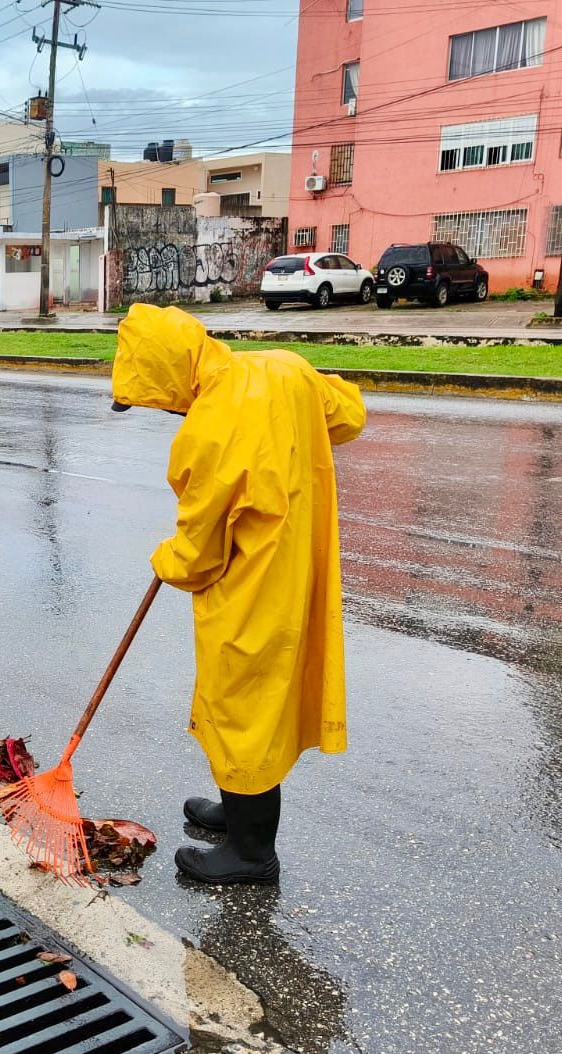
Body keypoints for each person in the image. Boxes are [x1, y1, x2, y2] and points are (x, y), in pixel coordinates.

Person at [110, 303, 366, 885]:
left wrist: (164, 558)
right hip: (300, 566)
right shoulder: (283, 368)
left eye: (155, 397)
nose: (164, 409)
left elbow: (198, 556)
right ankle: (238, 808)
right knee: (259, 703)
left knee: (242, 704)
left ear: (170, 373)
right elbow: (349, 415)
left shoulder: (209, 430)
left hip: (251, 584)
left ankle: (252, 853)